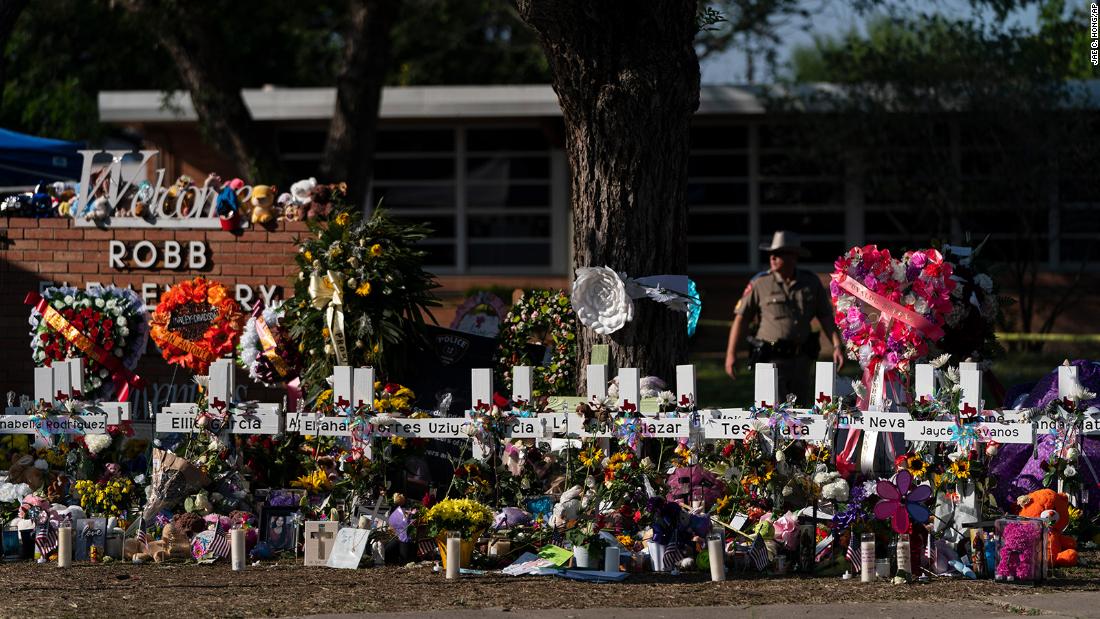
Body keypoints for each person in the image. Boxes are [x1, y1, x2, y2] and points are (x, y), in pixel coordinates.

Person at [724, 231, 844, 404]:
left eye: (779, 253)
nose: (772, 257)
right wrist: (731, 354)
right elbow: (741, 318)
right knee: (773, 411)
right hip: (770, 359)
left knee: (801, 411)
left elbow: (825, 316)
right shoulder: (760, 283)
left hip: (801, 359)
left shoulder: (810, 282)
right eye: (771, 253)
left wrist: (837, 345)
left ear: (794, 256)